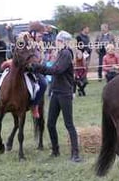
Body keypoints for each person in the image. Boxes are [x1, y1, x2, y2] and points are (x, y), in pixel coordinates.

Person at [28, 31, 81, 162]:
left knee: (69, 124)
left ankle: (75, 154)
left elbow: (57, 70)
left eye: (57, 40)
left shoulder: (66, 53)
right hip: (56, 92)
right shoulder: (61, 53)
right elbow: (54, 69)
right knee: (50, 124)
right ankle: (55, 150)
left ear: (62, 41)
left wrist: (39, 68)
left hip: (64, 93)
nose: (55, 42)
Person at [27, 22, 49, 118]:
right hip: (23, 68)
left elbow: (41, 57)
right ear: (33, 33)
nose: (41, 37)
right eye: (40, 35)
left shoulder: (40, 44)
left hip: (35, 69)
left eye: (42, 35)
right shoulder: (25, 41)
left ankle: (34, 105)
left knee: (44, 83)